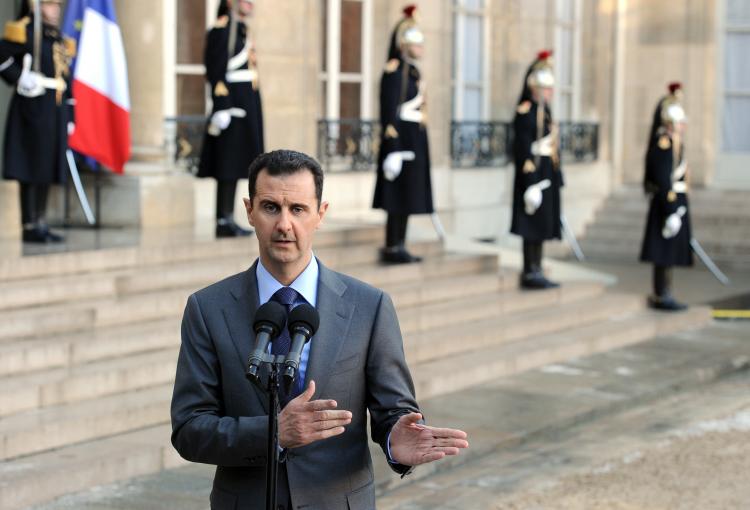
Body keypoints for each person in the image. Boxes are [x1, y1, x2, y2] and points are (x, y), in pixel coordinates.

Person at [171, 149, 469, 509]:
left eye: (297, 209)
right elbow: (190, 430)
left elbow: (393, 410)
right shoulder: (208, 308)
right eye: (270, 207)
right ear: (249, 211)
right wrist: (274, 434)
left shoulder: (369, 306)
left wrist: (396, 440)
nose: (284, 224)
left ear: (320, 214)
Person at [0, 0, 74, 243]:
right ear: (36, 6)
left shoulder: (58, 38)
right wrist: (20, 76)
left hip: (55, 108)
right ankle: (29, 224)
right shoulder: (24, 31)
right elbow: (2, 58)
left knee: (47, 165)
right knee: (31, 165)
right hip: (33, 106)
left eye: (57, 6)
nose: (56, 10)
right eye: (51, 5)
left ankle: (41, 220)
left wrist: (70, 115)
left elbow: (66, 78)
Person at [372, 5, 434, 264]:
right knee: (396, 195)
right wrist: (393, 147)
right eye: (417, 44)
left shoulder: (413, 72)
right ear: (404, 44)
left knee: (409, 193)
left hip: (415, 137)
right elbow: (390, 111)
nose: (421, 49)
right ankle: (391, 245)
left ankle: (401, 243)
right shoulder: (394, 71)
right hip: (400, 138)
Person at [198, 0, 264, 238]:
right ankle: (222, 219)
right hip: (232, 105)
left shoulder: (241, 29)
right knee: (227, 163)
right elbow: (215, 70)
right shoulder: (221, 29)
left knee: (238, 164)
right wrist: (222, 105)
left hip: (246, 103)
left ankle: (228, 217)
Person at [510, 50, 563, 289]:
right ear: (535, 88)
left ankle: (538, 267)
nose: (550, 93)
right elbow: (522, 148)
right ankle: (529, 270)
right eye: (546, 88)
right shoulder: (525, 110)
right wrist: (530, 179)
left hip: (547, 173)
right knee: (530, 224)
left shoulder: (546, 111)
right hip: (532, 173)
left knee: (542, 224)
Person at [639, 83, 692, 311]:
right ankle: (661, 293)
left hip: (675, 202)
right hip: (666, 204)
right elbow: (662, 180)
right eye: (680, 123)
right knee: (663, 251)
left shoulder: (674, 144)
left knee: (669, 252)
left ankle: (666, 291)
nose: (683, 127)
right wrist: (671, 210)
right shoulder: (664, 145)